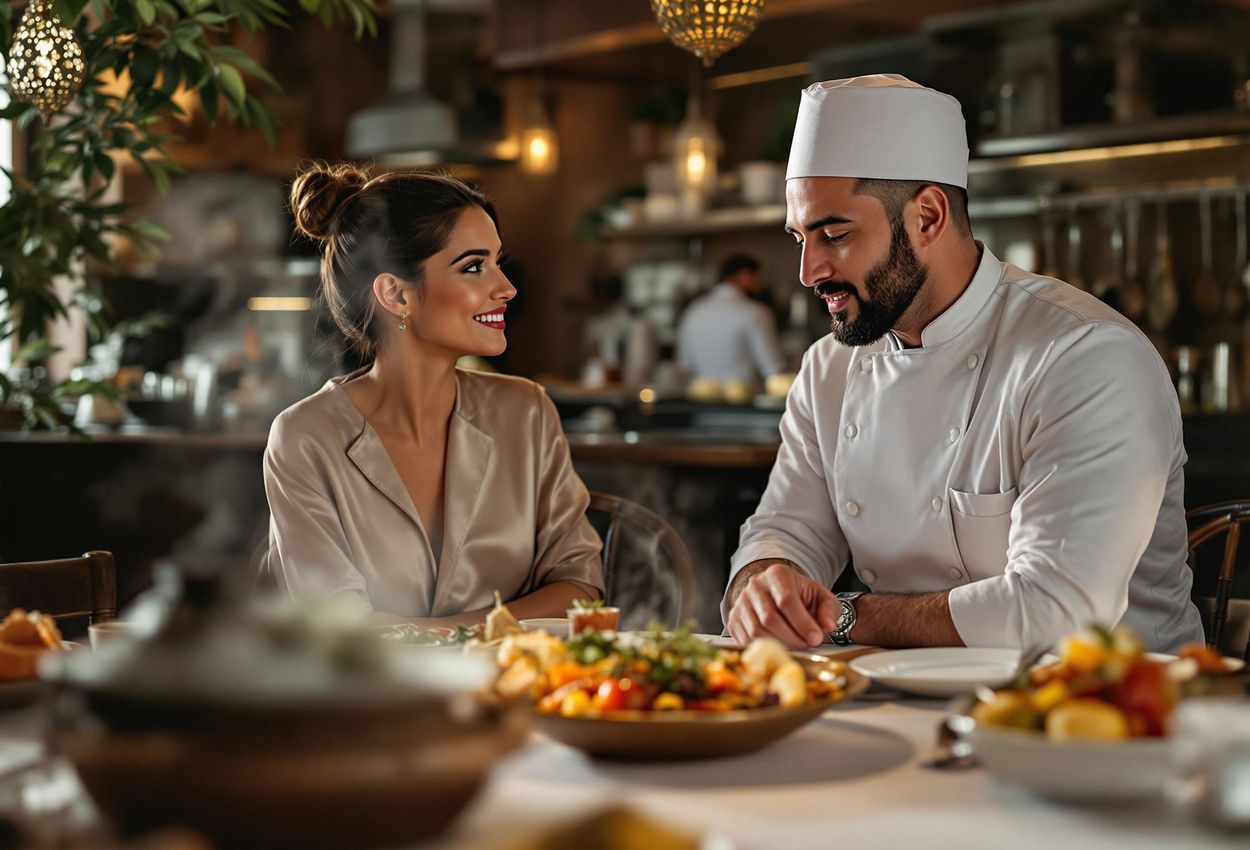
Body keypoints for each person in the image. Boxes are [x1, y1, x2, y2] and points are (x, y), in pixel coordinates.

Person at [723, 75, 1203, 653]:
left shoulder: (1085, 356)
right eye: (800, 237)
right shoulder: (830, 368)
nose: (809, 271)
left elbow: (1056, 611)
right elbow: (785, 530)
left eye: (835, 233)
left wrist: (841, 617)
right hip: (898, 701)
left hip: (1099, 714)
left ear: (928, 217)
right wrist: (763, 585)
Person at [264, 163, 604, 625]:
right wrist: (475, 638)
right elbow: (338, 629)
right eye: (473, 267)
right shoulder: (305, 436)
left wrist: (438, 638)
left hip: (517, 692)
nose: (506, 288)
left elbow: (580, 587)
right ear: (397, 296)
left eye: (497, 263)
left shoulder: (526, 411)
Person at [677, 254, 785, 387]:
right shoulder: (755, 312)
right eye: (758, 277)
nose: (760, 283)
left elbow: (685, 366)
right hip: (746, 404)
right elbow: (773, 369)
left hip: (702, 404)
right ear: (745, 275)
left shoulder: (693, 311)